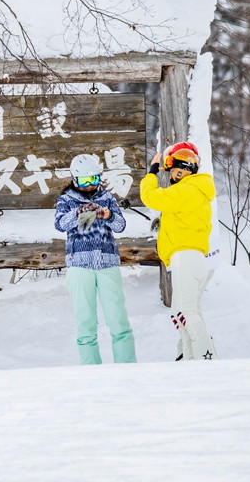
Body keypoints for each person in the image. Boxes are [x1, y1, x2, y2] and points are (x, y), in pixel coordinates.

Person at [53, 153, 137, 365]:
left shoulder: (106, 197)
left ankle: (127, 365)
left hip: (106, 262)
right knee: (85, 320)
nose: (90, 185)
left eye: (94, 179)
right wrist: (78, 212)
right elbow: (60, 224)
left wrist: (108, 215)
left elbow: (120, 226)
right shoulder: (66, 200)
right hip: (80, 265)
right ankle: (91, 369)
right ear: (74, 179)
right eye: (85, 181)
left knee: (118, 318)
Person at [139, 141, 218, 360]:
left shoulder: (188, 189)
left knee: (187, 311)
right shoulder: (192, 190)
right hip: (188, 258)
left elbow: (150, 197)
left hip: (187, 257)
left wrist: (152, 173)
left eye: (173, 170)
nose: (171, 175)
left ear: (183, 170)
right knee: (180, 312)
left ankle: (206, 356)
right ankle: (187, 356)